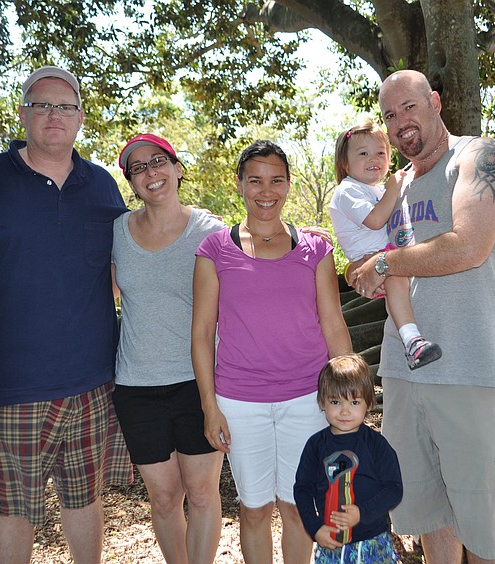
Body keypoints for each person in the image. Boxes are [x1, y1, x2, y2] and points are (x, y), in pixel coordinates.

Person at [0, 66, 133, 563]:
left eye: (66, 106)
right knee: (13, 510)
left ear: (80, 119)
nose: (54, 114)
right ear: (23, 114)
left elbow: (126, 271)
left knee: (86, 499)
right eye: (42, 104)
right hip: (10, 384)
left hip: (93, 380)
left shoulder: (101, 186)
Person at [350, 69, 495, 563]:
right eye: (389, 114)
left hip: (469, 371)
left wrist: (383, 263)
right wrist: (365, 270)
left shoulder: (480, 158)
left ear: (436, 102)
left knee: (487, 531)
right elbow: (377, 254)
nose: (400, 121)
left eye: (409, 106)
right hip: (404, 373)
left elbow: (467, 247)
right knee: (428, 516)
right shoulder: (399, 185)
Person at [191, 140, 354, 564]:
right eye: (256, 180)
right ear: (240, 185)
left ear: (288, 185)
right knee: (254, 508)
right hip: (240, 401)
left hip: (307, 398)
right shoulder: (214, 250)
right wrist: (210, 405)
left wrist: (351, 395)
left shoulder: (315, 249)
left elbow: (333, 323)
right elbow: (203, 331)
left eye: (277, 180)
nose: (267, 190)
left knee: (299, 507)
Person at [111, 133, 226, 564]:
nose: (150, 173)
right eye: (138, 168)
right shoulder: (117, 232)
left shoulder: (209, 231)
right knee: (163, 498)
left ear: (177, 168)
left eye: (158, 161)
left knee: (200, 493)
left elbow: (249, 279)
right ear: (132, 182)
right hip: (136, 385)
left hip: (197, 383)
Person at [329, 120, 441, 369]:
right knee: (395, 274)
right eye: (363, 153)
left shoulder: (376, 191)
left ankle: (416, 336)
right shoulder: (348, 191)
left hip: (385, 255)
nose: (374, 158)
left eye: (381, 152)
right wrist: (393, 187)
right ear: (345, 163)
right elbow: (376, 220)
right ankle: (413, 342)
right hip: (371, 260)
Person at [293, 353, 403, 563]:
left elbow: (394, 489)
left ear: (369, 403)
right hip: (331, 543)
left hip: (372, 542)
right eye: (335, 401)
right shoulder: (316, 446)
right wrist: (315, 528)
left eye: (354, 402)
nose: (344, 411)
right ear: (322, 402)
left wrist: (362, 513)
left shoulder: (377, 445)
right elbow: (302, 489)